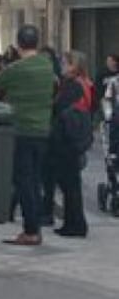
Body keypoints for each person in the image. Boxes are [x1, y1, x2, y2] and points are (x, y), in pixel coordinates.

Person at [0, 25, 56, 246]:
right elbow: (56, 85)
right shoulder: (47, 66)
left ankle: (31, 230)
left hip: (22, 129)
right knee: (36, 181)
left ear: (18, 45)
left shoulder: (16, 69)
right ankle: (35, 225)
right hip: (43, 129)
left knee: (24, 181)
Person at [49, 51, 94, 237]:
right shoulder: (84, 83)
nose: (62, 65)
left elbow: (60, 108)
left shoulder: (73, 85)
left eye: (65, 62)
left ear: (73, 65)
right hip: (74, 138)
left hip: (67, 140)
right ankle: (73, 222)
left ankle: (75, 224)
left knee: (70, 184)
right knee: (70, 183)